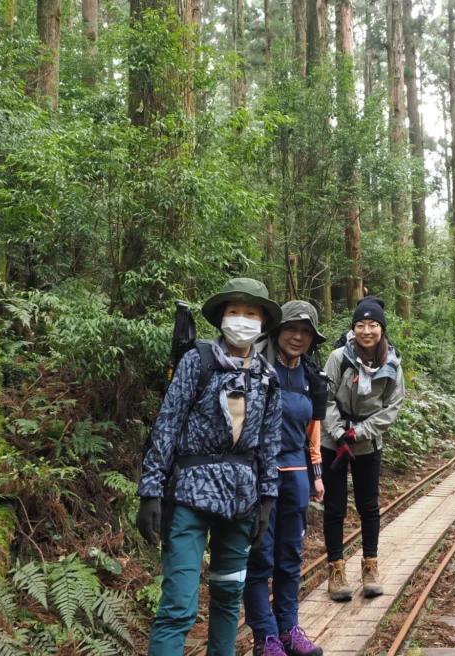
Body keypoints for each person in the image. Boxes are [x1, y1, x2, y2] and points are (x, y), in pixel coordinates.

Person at [136, 278, 283, 656]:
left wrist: (267, 498)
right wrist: (150, 492)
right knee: (178, 607)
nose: (242, 319)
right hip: (189, 494)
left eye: (251, 313)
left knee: (228, 597)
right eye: (234, 311)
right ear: (220, 317)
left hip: (241, 501)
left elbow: (269, 444)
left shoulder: (267, 377)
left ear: (263, 321)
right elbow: (167, 425)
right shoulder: (197, 361)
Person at [244, 301, 328, 656]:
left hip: (296, 475)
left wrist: (317, 475)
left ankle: (289, 629)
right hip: (257, 474)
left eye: (306, 331)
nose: (298, 336)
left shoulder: (311, 375)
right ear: (277, 330)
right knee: (260, 556)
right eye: (292, 328)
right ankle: (265, 637)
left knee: (290, 555)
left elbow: (313, 430)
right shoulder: (256, 367)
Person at [321, 295, 405, 602]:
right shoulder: (338, 358)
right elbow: (325, 398)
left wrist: (359, 432)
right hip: (334, 440)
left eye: (372, 324)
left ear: (381, 329)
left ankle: (370, 565)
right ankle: (336, 569)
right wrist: (339, 431)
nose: (366, 330)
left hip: (367, 441)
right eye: (360, 324)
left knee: (368, 506)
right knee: (335, 507)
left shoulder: (392, 363)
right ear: (353, 327)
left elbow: (393, 406)